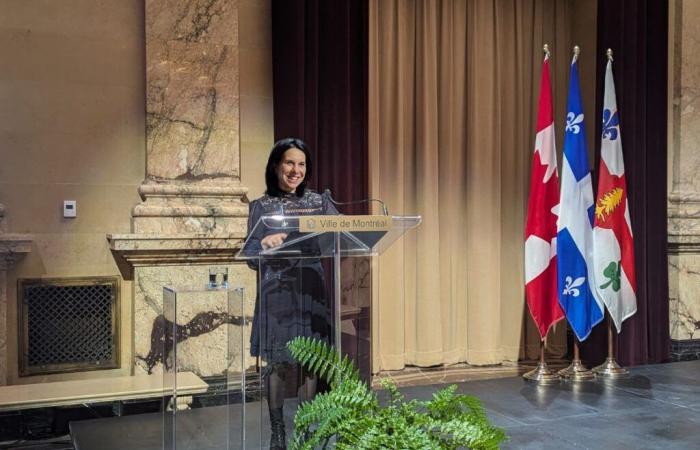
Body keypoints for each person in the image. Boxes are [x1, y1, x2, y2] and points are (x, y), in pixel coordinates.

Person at [245, 138, 338, 450]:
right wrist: (265, 245)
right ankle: (278, 433)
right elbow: (249, 254)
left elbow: (341, 234)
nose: (295, 170)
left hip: (311, 290)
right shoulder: (260, 207)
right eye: (289, 163)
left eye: (301, 164)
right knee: (278, 364)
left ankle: (306, 428)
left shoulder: (320, 202)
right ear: (276, 166)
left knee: (311, 363)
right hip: (277, 292)